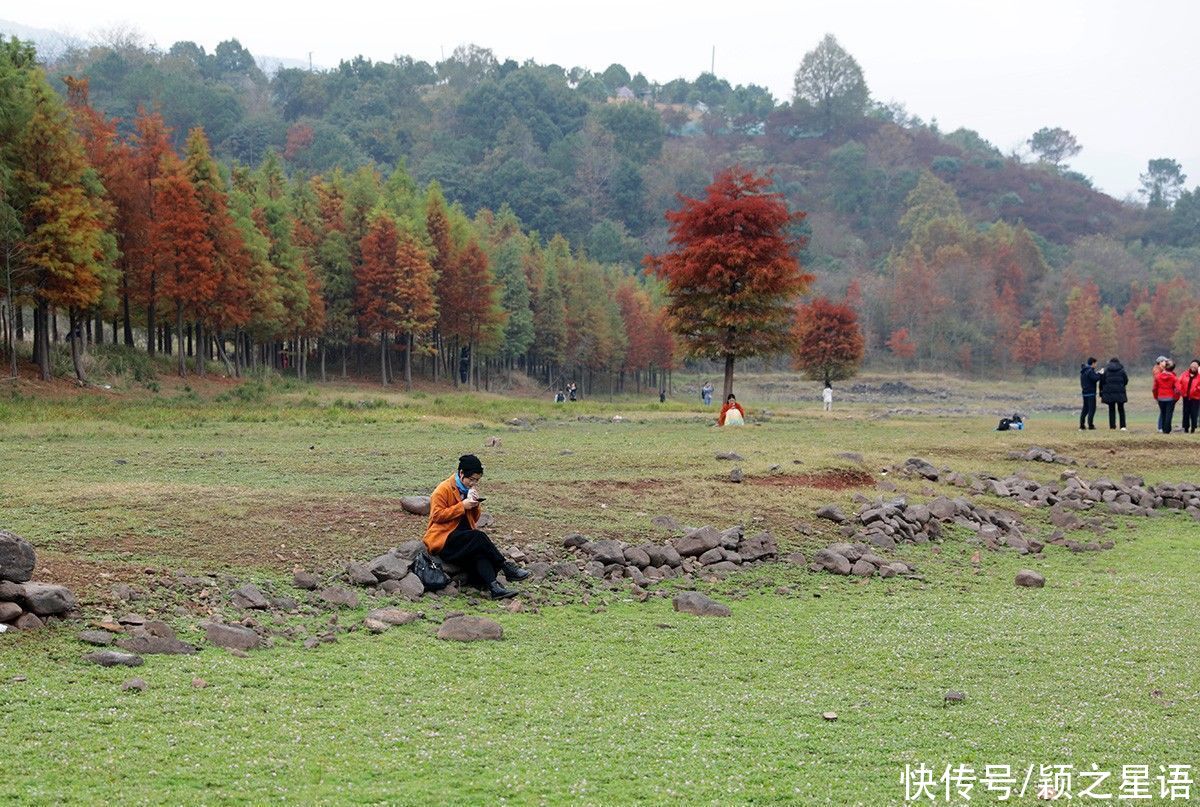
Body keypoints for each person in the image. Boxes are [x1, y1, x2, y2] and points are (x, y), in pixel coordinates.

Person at [422, 454, 528, 599]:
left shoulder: (467, 491)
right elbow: (436, 516)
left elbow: (475, 519)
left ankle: (494, 588)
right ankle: (506, 567)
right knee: (479, 537)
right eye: (471, 479)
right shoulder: (443, 489)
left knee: (480, 553)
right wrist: (462, 506)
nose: (473, 483)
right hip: (445, 541)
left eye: (476, 481)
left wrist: (474, 504)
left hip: (464, 539)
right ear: (461, 474)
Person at [1099, 357, 1129, 431]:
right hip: (1120, 393)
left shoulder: (1106, 370)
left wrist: (1101, 391)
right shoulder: (1122, 370)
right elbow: (1126, 381)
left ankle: (1112, 426)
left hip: (1109, 393)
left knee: (1111, 410)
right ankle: (1123, 426)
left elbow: (1102, 381)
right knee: (1121, 409)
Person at [1154, 359, 1180, 434]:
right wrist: (1176, 398)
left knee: (1163, 413)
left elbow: (1154, 388)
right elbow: (1178, 389)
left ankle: (1162, 428)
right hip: (1170, 398)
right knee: (1169, 414)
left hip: (1160, 398)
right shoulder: (1174, 378)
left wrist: (1156, 397)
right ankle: (1167, 430)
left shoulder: (1158, 377)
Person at [1178, 359, 1200, 433]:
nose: (1193, 367)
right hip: (1186, 397)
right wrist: (1182, 391)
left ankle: (1193, 428)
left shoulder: (1199, 375)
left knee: (1194, 413)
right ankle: (1186, 428)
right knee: (1186, 413)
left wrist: (1197, 389)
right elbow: (1179, 383)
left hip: (1196, 398)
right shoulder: (1185, 374)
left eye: (1195, 366)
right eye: (1192, 365)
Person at [1079, 357, 1101, 430]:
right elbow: (1095, 378)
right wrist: (1100, 374)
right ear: (1093, 363)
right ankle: (1090, 425)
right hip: (1091, 393)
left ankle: (1082, 425)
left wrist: (1097, 373)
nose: (1096, 365)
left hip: (1085, 393)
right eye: (1096, 363)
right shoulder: (1090, 371)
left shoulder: (1084, 371)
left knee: (1085, 409)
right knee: (1092, 409)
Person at [1153, 356, 1169, 431]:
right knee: (1163, 411)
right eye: (1164, 361)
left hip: (1161, 393)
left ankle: (1162, 426)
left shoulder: (1161, 369)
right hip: (1160, 393)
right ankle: (1160, 427)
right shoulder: (1157, 370)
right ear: (1160, 362)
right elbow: (1158, 380)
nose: (1166, 363)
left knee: (1164, 411)